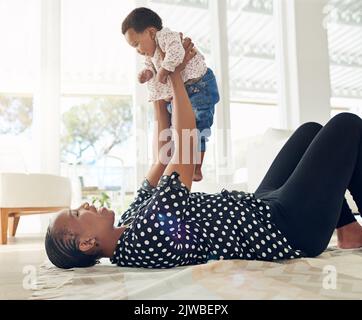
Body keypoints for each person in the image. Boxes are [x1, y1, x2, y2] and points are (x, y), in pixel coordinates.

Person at [45, 46, 362, 270]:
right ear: (87, 243)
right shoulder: (144, 239)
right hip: (285, 228)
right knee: (347, 125)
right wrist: (177, 77)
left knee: (309, 130)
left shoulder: (127, 224)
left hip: (259, 207)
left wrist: (159, 88)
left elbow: (165, 153)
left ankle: (348, 231)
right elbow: (184, 147)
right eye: (76, 213)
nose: (84, 205)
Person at [121, 7, 220, 182]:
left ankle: (197, 167)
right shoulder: (151, 55)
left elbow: (177, 52)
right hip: (186, 89)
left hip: (199, 85)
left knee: (199, 127)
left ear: (151, 32)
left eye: (136, 43)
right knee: (179, 131)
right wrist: (148, 73)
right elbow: (152, 68)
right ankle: (190, 165)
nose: (137, 50)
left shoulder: (166, 37)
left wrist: (164, 70)